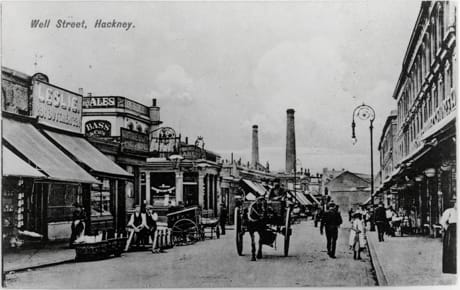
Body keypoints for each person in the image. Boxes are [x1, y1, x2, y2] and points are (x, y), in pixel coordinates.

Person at [440, 201, 457, 274]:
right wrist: (448, 229)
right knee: (451, 249)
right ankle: (450, 268)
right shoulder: (449, 211)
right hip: (452, 232)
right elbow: (442, 221)